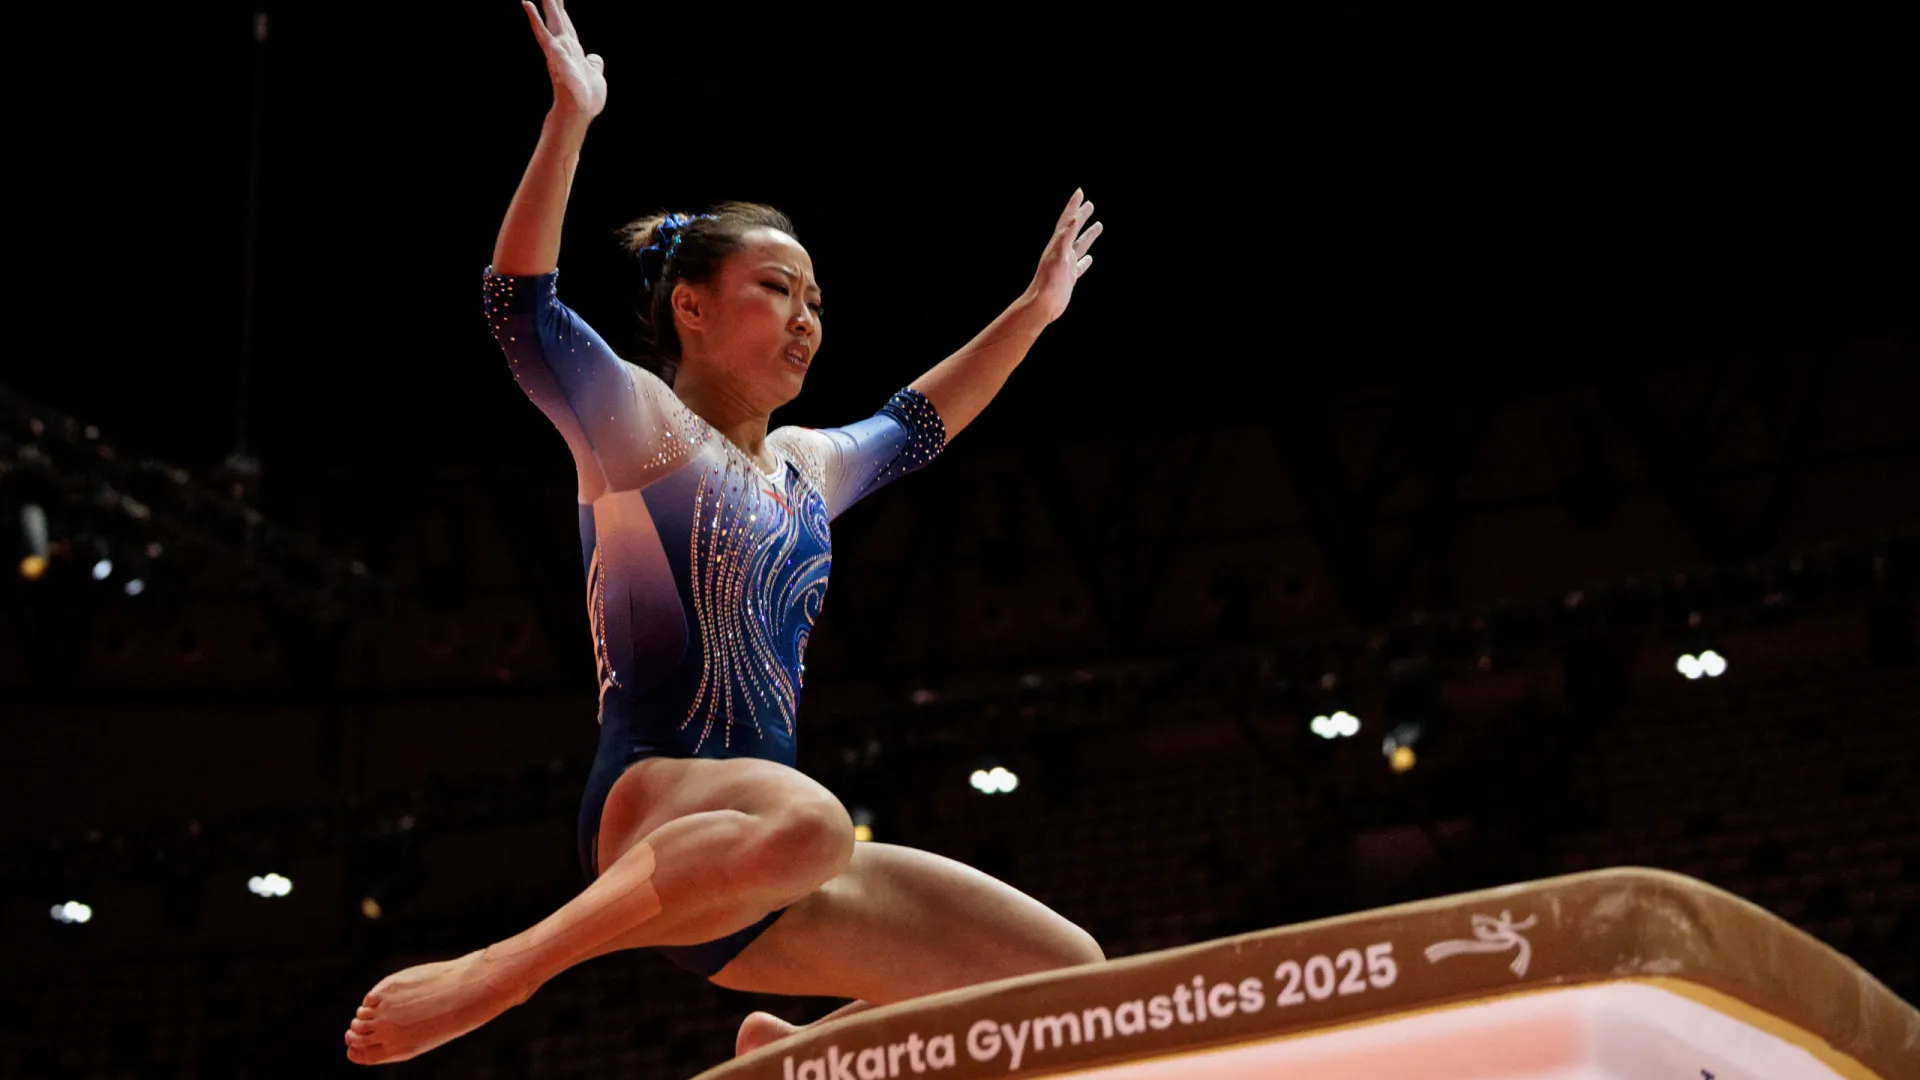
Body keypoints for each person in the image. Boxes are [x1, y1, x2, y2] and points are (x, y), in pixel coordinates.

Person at [342, 0, 1106, 1067]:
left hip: (764, 866)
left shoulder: (803, 466)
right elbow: (520, 309)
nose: (806, 317)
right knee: (818, 823)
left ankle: (793, 1053)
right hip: (654, 808)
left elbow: (918, 425)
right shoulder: (644, 430)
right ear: (691, 309)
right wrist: (569, 122)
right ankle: (502, 971)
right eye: (777, 289)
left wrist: (1032, 311)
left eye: (817, 300)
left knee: (1072, 978)